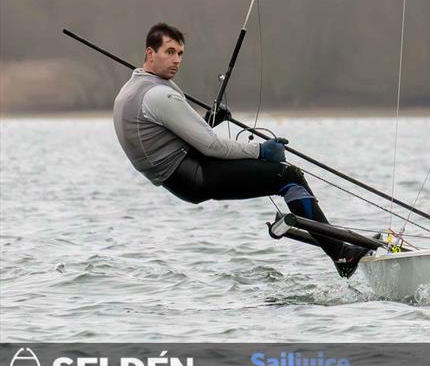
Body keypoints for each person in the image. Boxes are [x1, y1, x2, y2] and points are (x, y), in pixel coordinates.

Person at [112, 22, 368, 277]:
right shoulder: (159, 95)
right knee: (289, 177)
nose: (177, 60)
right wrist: (261, 150)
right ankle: (342, 254)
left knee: (285, 178)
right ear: (149, 54)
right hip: (194, 175)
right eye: (169, 52)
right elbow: (211, 146)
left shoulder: (131, 90)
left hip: (183, 174)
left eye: (180, 53)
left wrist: (209, 121)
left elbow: (170, 136)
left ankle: (338, 248)